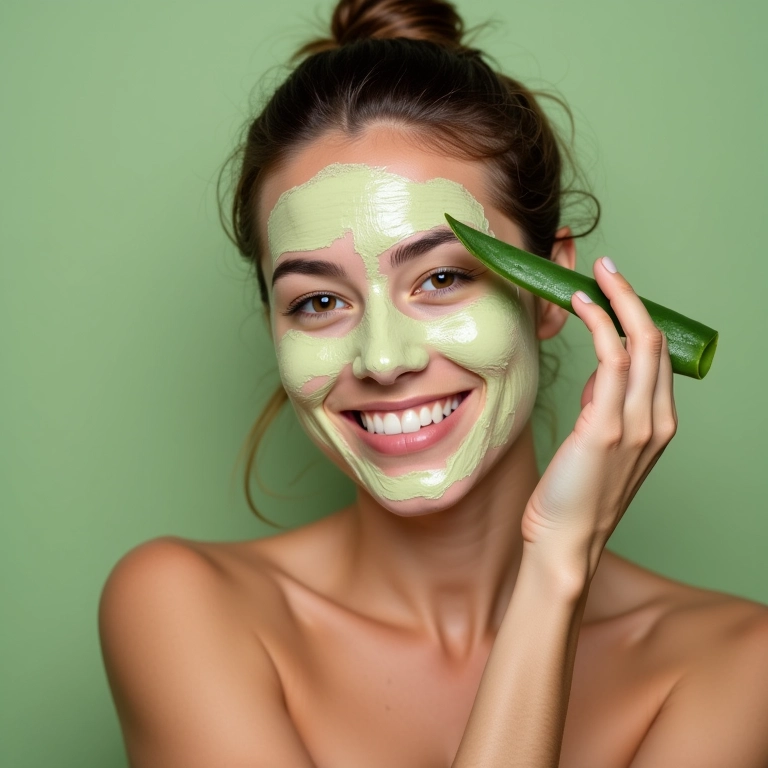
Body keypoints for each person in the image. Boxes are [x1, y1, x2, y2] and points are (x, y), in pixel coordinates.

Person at [98, 1, 768, 766]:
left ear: (556, 293)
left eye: (444, 277)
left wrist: (554, 566)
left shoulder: (737, 664)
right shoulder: (180, 610)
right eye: (319, 301)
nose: (383, 360)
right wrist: (550, 579)